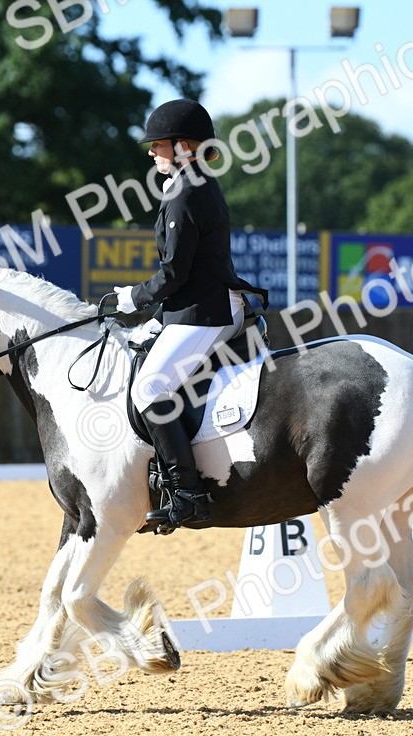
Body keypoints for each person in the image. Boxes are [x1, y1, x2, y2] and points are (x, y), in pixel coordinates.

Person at [115, 98, 266, 531]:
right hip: (197, 308)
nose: (151, 152)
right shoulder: (195, 182)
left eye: (157, 144)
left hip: (206, 312)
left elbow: (176, 271)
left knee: (149, 389)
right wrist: (158, 317)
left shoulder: (185, 190)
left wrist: (134, 297)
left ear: (183, 147)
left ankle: (187, 493)